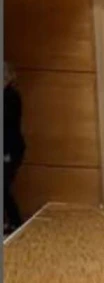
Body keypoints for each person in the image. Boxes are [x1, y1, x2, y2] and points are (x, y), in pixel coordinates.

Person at [4, 62, 26, 233]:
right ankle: (13, 221)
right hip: (8, 147)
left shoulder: (11, 96)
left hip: (11, 148)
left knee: (3, 186)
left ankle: (16, 221)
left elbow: (9, 124)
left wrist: (7, 153)